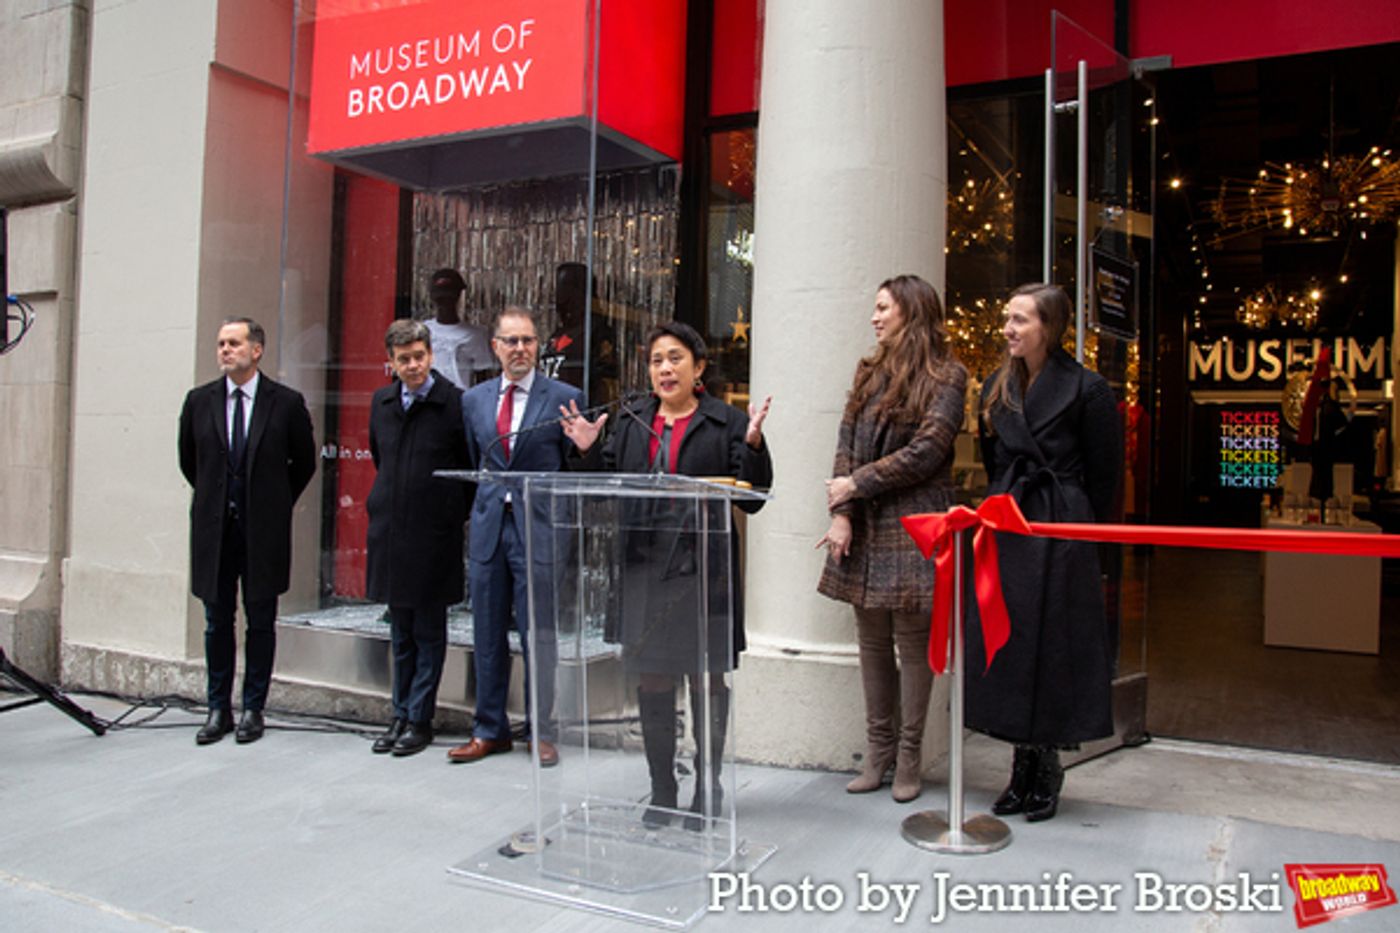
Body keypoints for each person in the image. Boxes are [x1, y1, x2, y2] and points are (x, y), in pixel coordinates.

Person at [561, 320, 772, 828]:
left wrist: (757, 447)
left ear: (699, 368)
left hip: (703, 575)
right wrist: (589, 449)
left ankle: (707, 786)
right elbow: (603, 492)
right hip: (642, 572)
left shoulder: (726, 423)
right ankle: (661, 788)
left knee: (706, 680)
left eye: (675, 358)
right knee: (652, 679)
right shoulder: (632, 422)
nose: (664, 368)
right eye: (657, 360)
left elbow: (752, 496)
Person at [970, 283, 1121, 822]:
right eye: (1006, 318)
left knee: (1054, 644)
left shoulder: (1089, 389)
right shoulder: (995, 387)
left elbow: (1105, 477)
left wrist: (1091, 533)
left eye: (1020, 320)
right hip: (1011, 521)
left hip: (1064, 523)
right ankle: (1020, 768)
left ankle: (1048, 766)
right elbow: (995, 461)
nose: (1008, 329)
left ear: (1050, 327)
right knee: (1012, 643)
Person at [816, 275, 968, 803]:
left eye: (884, 308)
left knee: (911, 639)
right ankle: (877, 752)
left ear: (912, 310)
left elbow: (928, 450)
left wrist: (859, 483)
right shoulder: (868, 370)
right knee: (871, 641)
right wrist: (842, 511)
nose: (875, 317)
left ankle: (910, 756)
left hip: (916, 521)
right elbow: (845, 444)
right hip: (867, 520)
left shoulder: (949, 375)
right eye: (875, 308)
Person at [447, 307, 583, 768]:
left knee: (537, 634)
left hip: (539, 528)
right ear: (496, 347)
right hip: (488, 529)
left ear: (538, 345)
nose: (520, 349)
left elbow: (575, 467)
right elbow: (476, 460)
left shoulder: (565, 396)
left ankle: (540, 731)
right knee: (486, 631)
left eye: (527, 341)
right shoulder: (474, 400)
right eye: (511, 341)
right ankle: (489, 729)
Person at [178, 317, 317, 745]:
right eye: (221, 343)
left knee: (261, 620)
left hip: (263, 532)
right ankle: (218, 707)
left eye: (234, 343)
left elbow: (304, 463)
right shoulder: (199, 401)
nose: (225, 350)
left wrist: (273, 505)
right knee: (216, 620)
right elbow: (190, 462)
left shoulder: (286, 403)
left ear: (256, 350)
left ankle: (254, 708)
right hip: (214, 530)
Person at [365, 319, 472, 757]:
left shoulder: (455, 404)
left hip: (434, 535)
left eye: (419, 357)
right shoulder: (382, 402)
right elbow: (379, 455)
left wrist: (448, 515)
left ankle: (419, 718)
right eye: (403, 359)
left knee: (429, 630)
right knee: (401, 630)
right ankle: (398, 712)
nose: (412, 365)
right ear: (390, 362)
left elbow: (467, 470)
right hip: (392, 531)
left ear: (430, 355)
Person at [423, 268, 495, 389]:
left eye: (450, 298)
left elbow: (483, 377)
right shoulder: (422, 331)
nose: (445, 303)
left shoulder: (475, 335)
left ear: (458, 296)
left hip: (460, 400)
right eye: (440, 299)